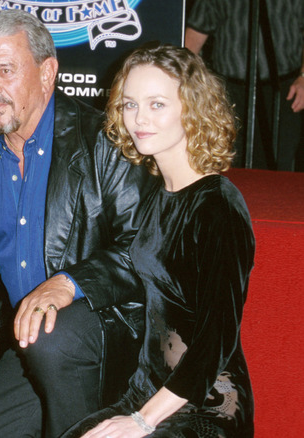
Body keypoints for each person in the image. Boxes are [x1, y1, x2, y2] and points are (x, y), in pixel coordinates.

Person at [0, 9, 153, 438]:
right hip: (26, 340)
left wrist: (68, 283)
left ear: (47, 73)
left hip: (105, 332)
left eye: (6, 70)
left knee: (55, 336)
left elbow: (144, 247)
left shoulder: (104, 141)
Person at [62, 43, 255, 438]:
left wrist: (143, 420)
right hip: (147, 391)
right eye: (130, 104)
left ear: (192, 109)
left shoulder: (218, 208)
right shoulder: (158, 195)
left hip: (206, 403)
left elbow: (216, 339)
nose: (138, 119)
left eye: (156, 104)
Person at [184, 0, 304, 171]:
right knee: (227, 161)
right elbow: (195, 35)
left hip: (284, 89)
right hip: (229, 91)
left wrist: (303, 77)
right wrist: (178, 81)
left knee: (280, 164)